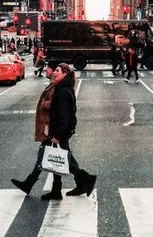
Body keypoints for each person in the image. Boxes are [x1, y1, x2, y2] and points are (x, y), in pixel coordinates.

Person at [12, 62, 96, 201]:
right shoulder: (61, 87)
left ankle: (86, 179)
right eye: (55, 70)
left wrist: (57, 135)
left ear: (64, 74)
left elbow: (63, 116)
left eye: (57, 70)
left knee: (60, 158)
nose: (54, 72)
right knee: (57, 157)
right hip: (57, 129)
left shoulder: (62, 91)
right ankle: (62, 187)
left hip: (57, 130)